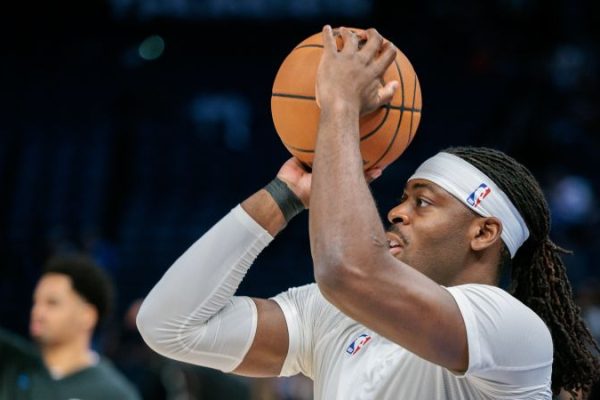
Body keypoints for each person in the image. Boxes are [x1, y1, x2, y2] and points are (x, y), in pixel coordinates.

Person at [136, 26, 600, 399]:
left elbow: (348, 269)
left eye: (422, 202)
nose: (395, 212)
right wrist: (285, 194)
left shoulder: (508, 326)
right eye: (402, 197)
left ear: (483, 232)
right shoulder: (334, 314)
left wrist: (340, 105)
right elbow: (170, 328)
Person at [0, 254, 140, 400]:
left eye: (52, 303)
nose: (37, 311)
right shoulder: (10, 362)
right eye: (36, 302)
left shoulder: (114, 393)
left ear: (87, 315)